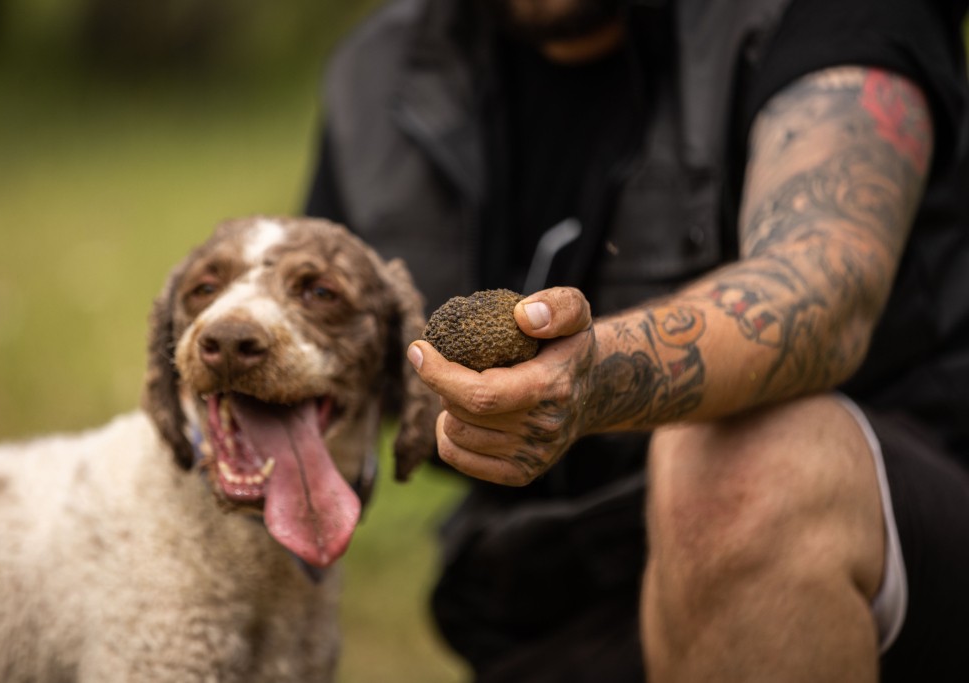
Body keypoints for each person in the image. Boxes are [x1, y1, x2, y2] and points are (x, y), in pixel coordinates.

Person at [305, 0, 969, 680]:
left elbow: (824, 287)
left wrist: (593, 375)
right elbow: (318, 356)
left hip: (899, 555)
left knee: (747, 469)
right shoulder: (377, 76)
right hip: (559, 598)